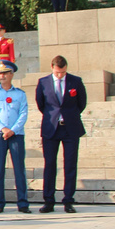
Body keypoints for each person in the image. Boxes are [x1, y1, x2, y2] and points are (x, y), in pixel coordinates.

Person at [35, 56, 86, 214]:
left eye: (63, 73)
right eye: (57, 72)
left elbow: (81, 103)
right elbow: (41, 104)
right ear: (52, 67)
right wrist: (54, 117)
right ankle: (48, 200)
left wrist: (68, 116)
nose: (60, 76)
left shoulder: (75, 81)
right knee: (49, 164)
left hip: (70, 127)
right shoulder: (43, 82)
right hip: (51, 127)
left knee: (70, 164)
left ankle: (68, 200)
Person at [0, 60, 30, 214]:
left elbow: (23, 113)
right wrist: (3, 128)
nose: (2, 76)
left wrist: (13, 130)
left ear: (11, 74)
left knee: (19, 169)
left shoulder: (20, 94)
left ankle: (23, 202)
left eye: (5, 73)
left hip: (16, 134)